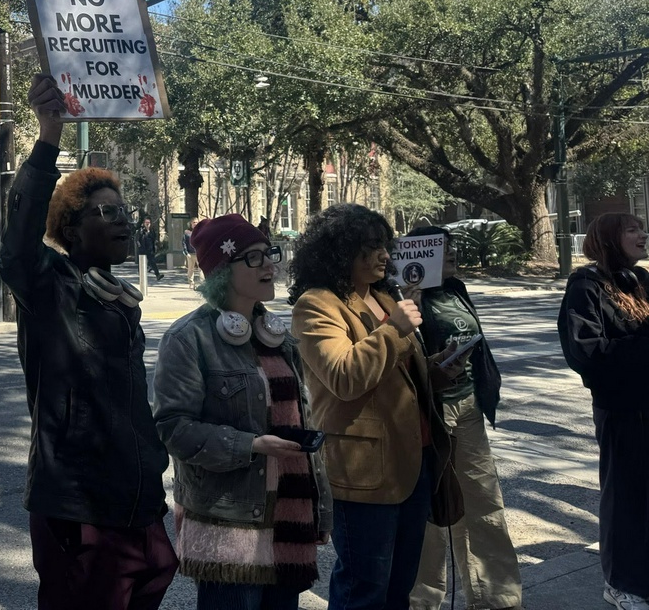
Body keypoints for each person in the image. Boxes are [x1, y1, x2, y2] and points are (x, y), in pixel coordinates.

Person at [1, 74, 176, 610]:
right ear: (71, 230)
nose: (122, 219)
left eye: (123, 211)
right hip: (79, 510)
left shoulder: (119, 299)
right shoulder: (49, 284)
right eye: (105, 211)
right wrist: (49, 135)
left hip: (138, 505)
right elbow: (19, 243)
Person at [154, 213, 332, 610]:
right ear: (221, 270)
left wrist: (320, 510)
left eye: (269, 253)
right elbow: (173, 428)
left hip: (289, 520)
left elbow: (303, 420)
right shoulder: (188, 339)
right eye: (253, 257)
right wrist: (250, 444)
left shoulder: (277, 335)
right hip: (230, 530)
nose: (270, 264)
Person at [289, 204, 461, 610]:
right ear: (341, 251)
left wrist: (439, 369)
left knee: (400, 586)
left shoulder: (386, 297)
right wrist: (395, 328)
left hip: (414, 458)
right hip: (364, 469)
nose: (385, 255)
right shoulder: (316, 305)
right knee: (365, 590)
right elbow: (344, 376)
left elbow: (396, 370)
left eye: (385, 246)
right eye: (371, 247)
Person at [406, 226, 521, 610]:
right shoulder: (405, 298)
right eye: (442, 248)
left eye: (452, 246)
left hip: (468, 406)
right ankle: (423, 599)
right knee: (434, 511)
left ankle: (497, 597)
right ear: (419, 254)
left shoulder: (456, 289)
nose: (452, 253)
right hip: (429, 412)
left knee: (484, 501)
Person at [558, 213, 649, 610]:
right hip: (621, 410)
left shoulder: (640, 280)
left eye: (642, 228)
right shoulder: (584, 287)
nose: (643, 235)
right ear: (609, 239)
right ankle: (621, 583)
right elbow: (587, 354)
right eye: (632, 229)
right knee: (626, 499)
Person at [183, 217, 200, 288]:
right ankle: (191, 282)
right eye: (194, 222)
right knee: (190, 268)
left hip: (199, 253)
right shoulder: (187, 232)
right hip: (190, 253)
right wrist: (186, 253)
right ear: (191, 224)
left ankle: (201, 282)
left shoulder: (201, 231)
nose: (195, 224)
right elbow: (184, 243)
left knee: (201, 268)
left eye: (196, 222)